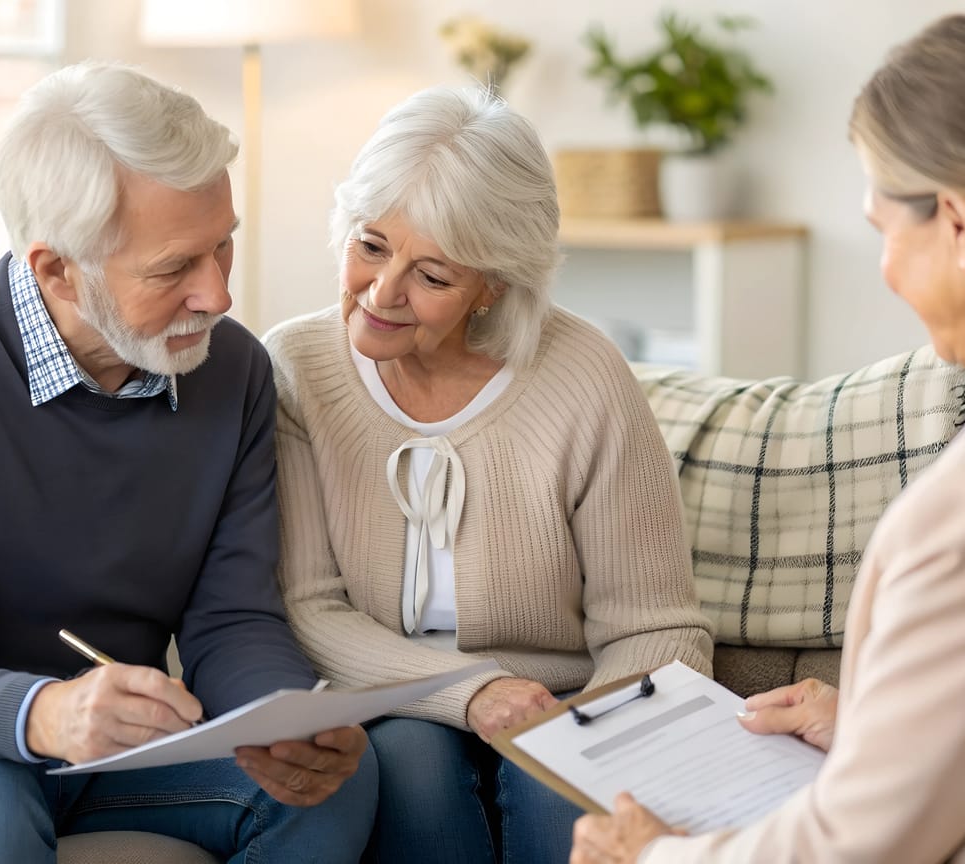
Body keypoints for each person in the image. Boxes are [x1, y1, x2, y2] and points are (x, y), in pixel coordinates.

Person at [571, 7, 965, 863]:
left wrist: (649, 857)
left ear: (958, 224)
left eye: (883, 230)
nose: (883, 269)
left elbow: (853, 850)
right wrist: (887, 728)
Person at [0, 61, 376, 863]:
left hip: (104, 746)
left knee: (334, 787)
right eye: (174, 269)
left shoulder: (231, 371)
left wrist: (283, 721)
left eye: (222, 249)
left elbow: (232, 620)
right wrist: (44, 713)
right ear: (56, 268)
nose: (219, 296)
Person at [263, 87, 715, 864]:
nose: (380, 293)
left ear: (494, 284)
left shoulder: (584, 374)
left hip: (567, 697)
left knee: (559, 782)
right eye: (371, 246)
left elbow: (654, 625)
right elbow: (310, 609)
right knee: (407, 763)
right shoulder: (295, 368)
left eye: (432, 276)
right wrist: (470, 693)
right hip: (390, 699)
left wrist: (597, 733)